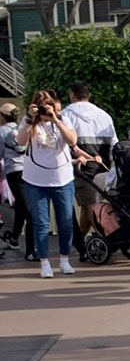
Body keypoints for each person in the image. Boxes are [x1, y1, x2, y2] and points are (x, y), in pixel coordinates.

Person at [17, 90, 85, 278]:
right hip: (35, 180)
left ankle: (64, 259)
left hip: (62, 178)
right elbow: (20, 142)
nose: (45, 110)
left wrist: (56, 119)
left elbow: (72, 141)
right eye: (41, 106)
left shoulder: (63, 119)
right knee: (41, 222)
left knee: (66, 222)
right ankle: (45, 262)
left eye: (49, 106)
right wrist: (30, 118)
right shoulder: (30, 122)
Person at [61, 82, 116, 259]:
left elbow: (66, 142)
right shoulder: (104, 115)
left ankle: (93, 242)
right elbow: (114, 143)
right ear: (89, 95)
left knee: (88, 206)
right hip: (104, 165)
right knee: (96, 204)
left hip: (81, 166)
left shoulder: (66, 115)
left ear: (72, 95)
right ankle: (86, 241)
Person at [1, 102, 35, 260]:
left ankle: (30, 250)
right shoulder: (24, 128)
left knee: (27, 210)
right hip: (30, 170)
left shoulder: (2, 132)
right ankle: (15, 238)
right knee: (22, 206)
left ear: (2, 116)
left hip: (13, 171)